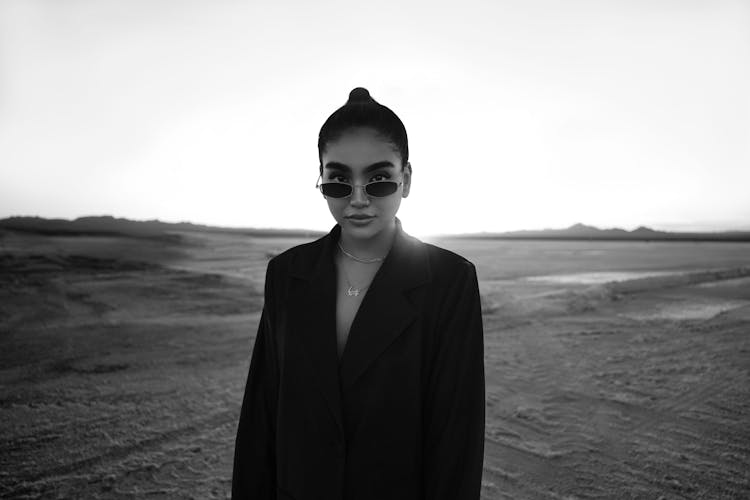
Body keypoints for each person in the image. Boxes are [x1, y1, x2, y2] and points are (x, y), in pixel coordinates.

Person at [232, 87, 485, 499]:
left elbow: (457, 436)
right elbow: (262, 417)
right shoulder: (287, 274)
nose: (359, 199)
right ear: (321, 180)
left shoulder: (450, 281)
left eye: (380, 180)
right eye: (338, 181)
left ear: (406, 180)